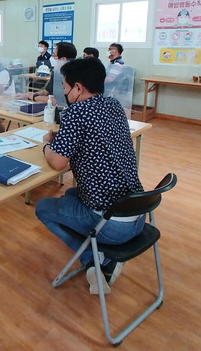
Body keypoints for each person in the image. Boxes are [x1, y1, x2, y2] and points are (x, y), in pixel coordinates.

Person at [35, 57, 144, 294]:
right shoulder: (113, 105)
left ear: (78, 88)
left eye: (65, 87)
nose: (64, 92)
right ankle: (99, 253)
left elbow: (57, 163)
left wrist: (46, 145)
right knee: (71, 193)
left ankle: (95, 260)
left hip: (112, 225)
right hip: (138, 212)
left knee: (43, 207)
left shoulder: (76, 112)